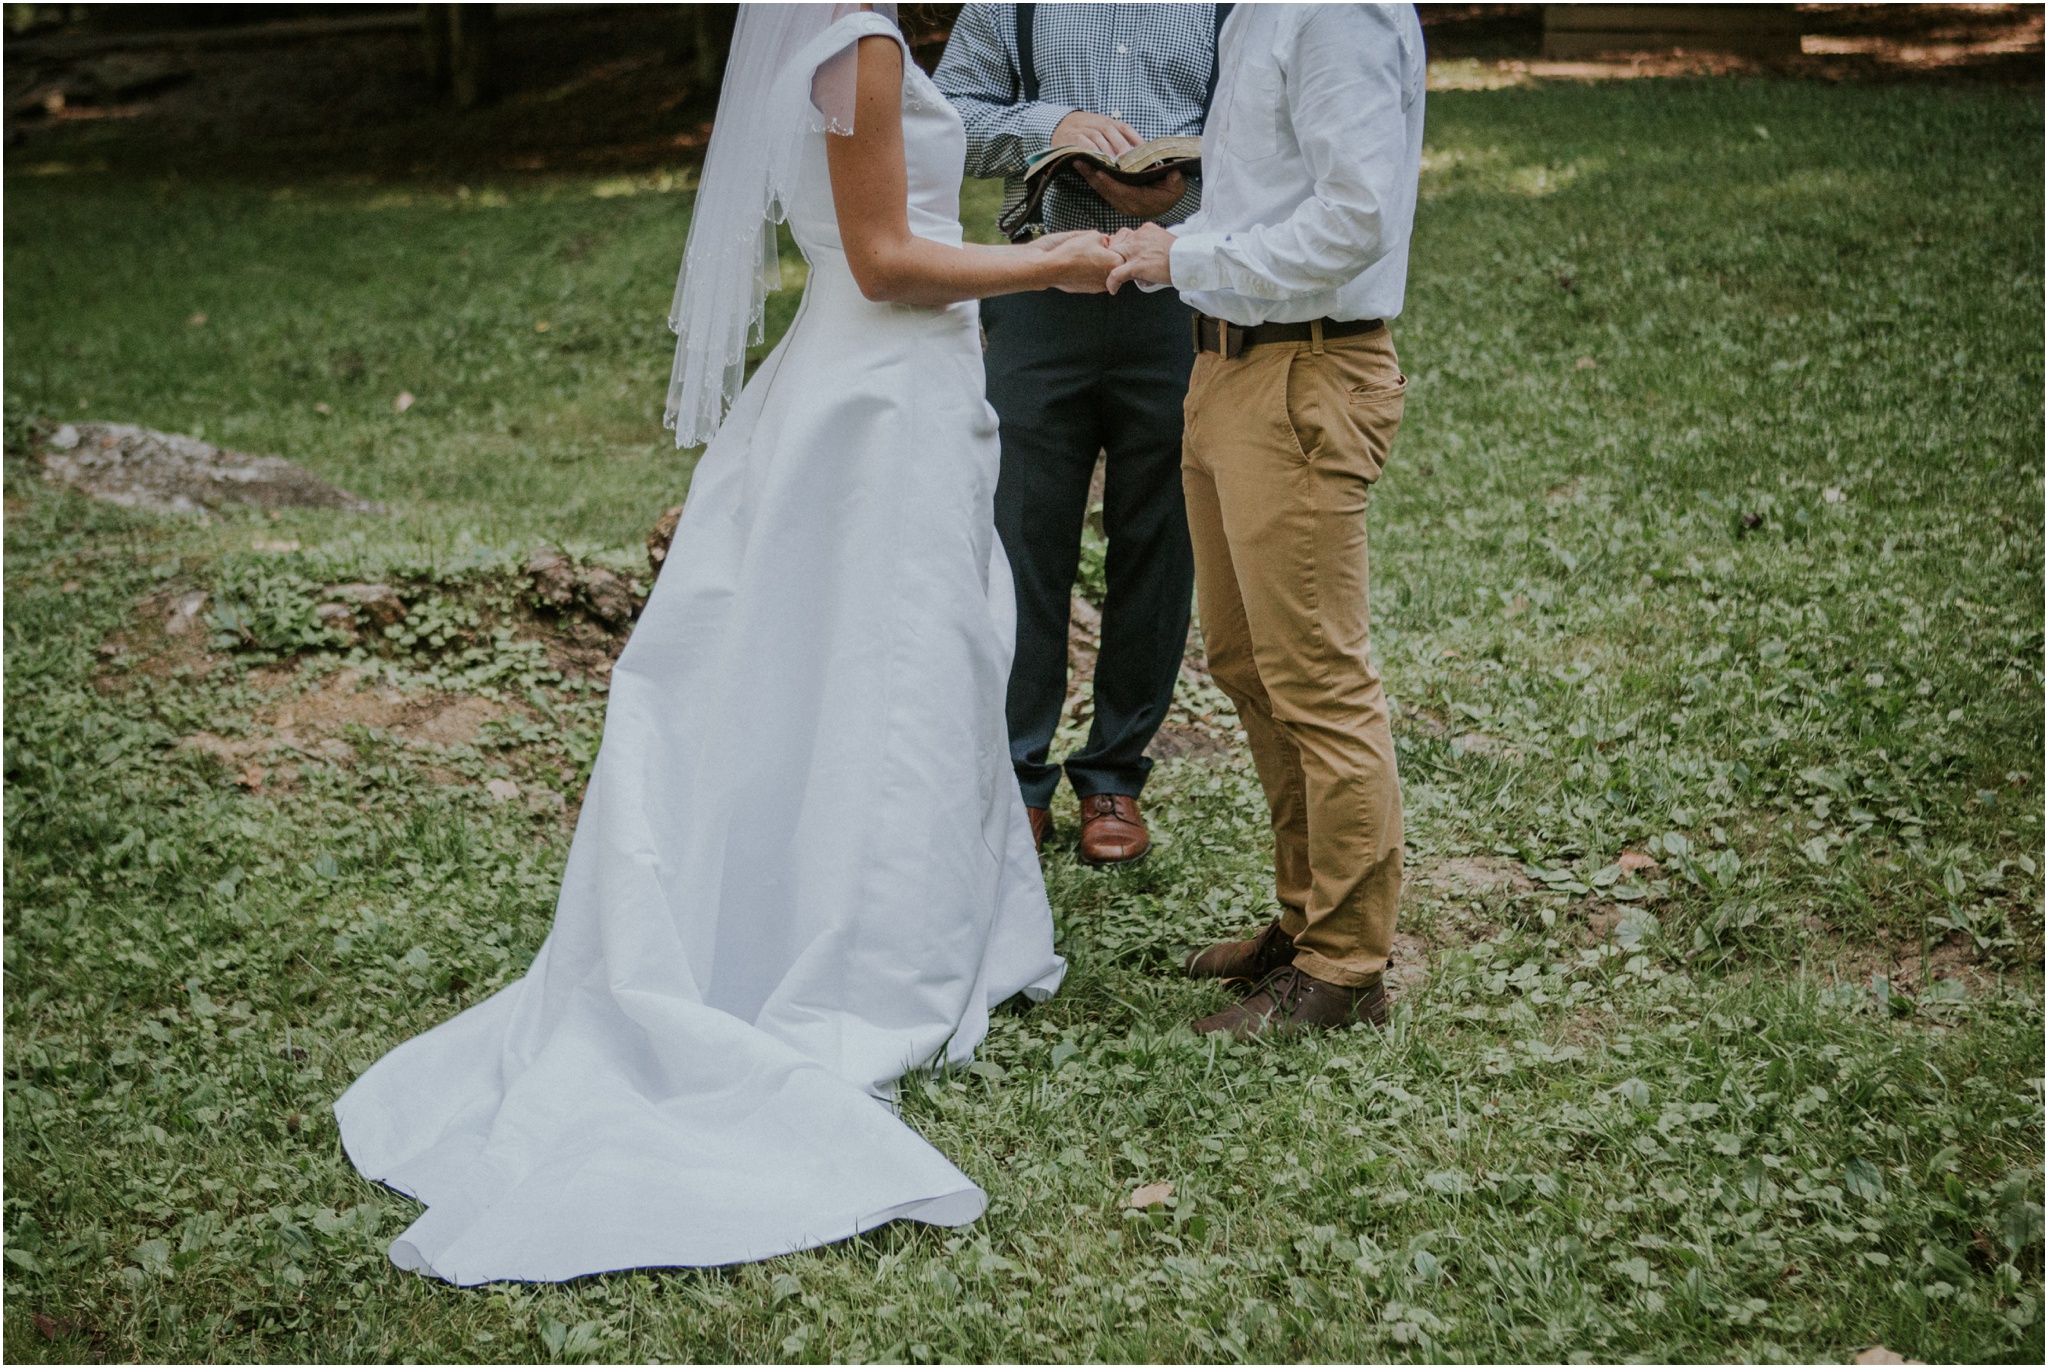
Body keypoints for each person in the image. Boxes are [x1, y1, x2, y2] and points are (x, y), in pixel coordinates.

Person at [333, 4, 1121, 1284]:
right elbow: (881, 259)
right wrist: (1056, 263)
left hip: (869, 391)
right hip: (876, 396)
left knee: (886, 670)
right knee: (891, 677)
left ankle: (924, 923)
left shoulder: (835, 38)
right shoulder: (856, 44)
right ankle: (865, 959)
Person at [1106, 2, 1426, 1038]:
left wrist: (1183, 263)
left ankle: (1345, 969)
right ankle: (1302, 922)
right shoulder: (1256, 10)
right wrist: (1178, 241)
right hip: (1230, 364)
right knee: (1248, 664)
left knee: (1317, 677)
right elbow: (1271, 195)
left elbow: (1355, 216)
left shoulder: (1334, 12)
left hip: (1304, 368)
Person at [935, 4, 1227, 865]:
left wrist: (1186, 190)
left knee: (1160, 535)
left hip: (1177, 292)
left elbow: (1264, 134)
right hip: (1038, 294)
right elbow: (945, 120)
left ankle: (1114, 777)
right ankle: (1016, 774)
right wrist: (1047, 127)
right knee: (1021, 533)